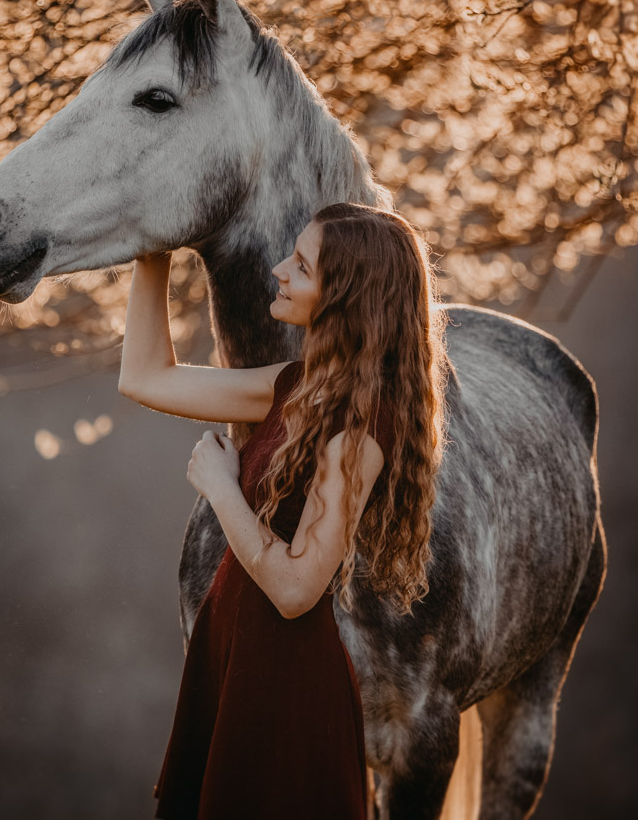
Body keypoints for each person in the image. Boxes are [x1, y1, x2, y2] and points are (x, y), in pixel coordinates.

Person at [117, 201, 449, 820]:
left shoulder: (359, 429)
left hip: (285, 684)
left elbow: (297, 588)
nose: (278, 269)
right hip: (234, 655)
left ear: (344, 296)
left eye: (301, 265)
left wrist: (222, 488)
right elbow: (145, 376)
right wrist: (151, 246)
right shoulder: (294, 385)